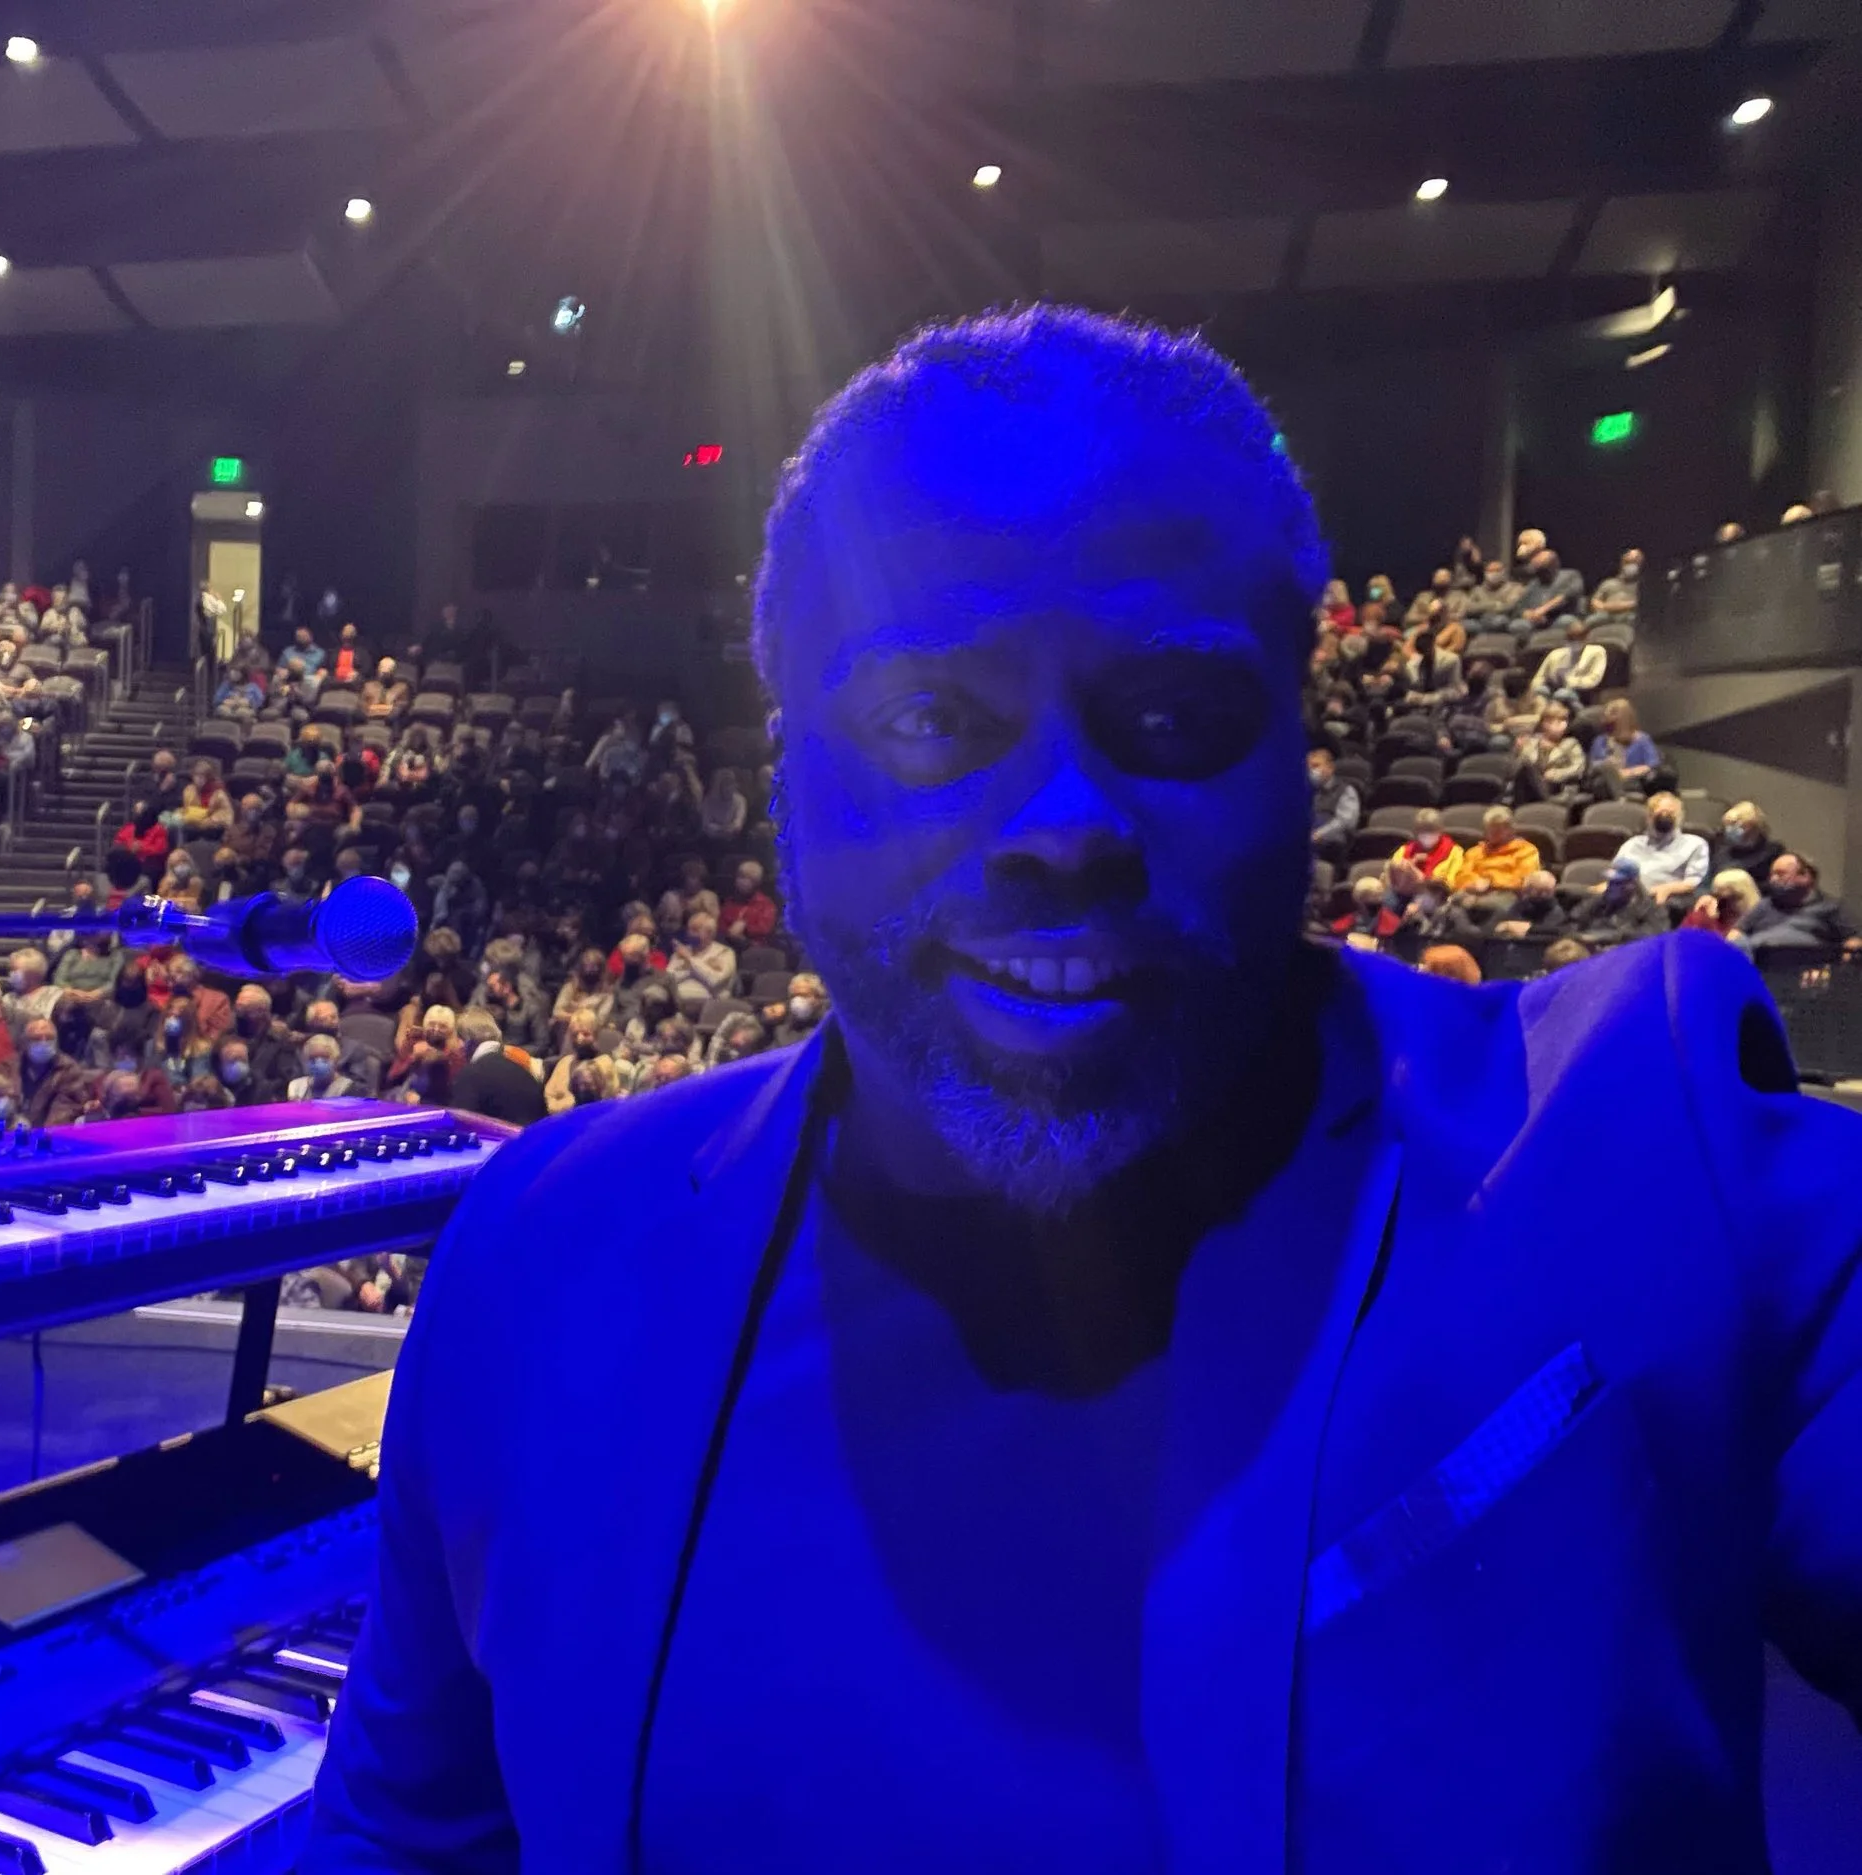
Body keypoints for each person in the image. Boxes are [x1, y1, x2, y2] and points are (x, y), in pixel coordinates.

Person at [305, 306, 1862, 1874]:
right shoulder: (543, 1256)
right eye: (931, 717)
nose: (1063, 820)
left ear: (1298, 752)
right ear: (785, 777)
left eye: (1173, 716)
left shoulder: (1651, 1144)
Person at [1736, 851, 1862, 954]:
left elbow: (1854, 939)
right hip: (1761, 969)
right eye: (1772, 875)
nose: (1773, 879)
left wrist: (1845, 961)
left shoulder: (1831, 907)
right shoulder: (1765, 905)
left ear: (1805, 876)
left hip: (1805, 970)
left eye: (1780, 874)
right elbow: (1737, 932)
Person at [1611, 793, 1708, 907]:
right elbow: (1615, 874)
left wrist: (1666, 889)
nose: (1664, 816)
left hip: (1664, 901)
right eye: (1659, 813)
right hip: (1626, 897)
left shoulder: (1695, 844)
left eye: (1670, 813)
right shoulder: (1632, 844)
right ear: (1649, 817)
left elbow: (1692, 882)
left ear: (1680, 816)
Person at [1575, 855, 1668, 944]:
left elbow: (1655, 936)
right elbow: (1573, 922)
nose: (1612, 887)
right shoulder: (1598, 901)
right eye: (1611, 882)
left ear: (1633, 884)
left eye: (1618, 883)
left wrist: (1610, 937)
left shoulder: (1652, 908)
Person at [1454, 805, 1539, 897]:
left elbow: (1522, 881)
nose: (1493, 833)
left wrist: (1490, 882)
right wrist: (1475, 882)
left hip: (1506, 895)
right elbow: (1460, 877)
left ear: (1510, 830)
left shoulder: (1526, 851)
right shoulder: (1475, 852)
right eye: (1490, 829)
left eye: (1498, 830)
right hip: (1473, 893)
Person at [1527, 617, 1606, 707]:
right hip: (1552, 689)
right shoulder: (1555, 654)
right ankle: (1541, 716)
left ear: (1586, 638)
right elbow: (1539, 677)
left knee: (1562, 694)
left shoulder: (1597, 652)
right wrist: (1537, 687)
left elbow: (1593, 679)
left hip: (1580, 693)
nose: (1575, 642)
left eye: (1578, 639)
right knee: (1540, 691)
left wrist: (1569, 681)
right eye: (1571, 639)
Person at [1587, 698, 1658, 796]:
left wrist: (1627, 773)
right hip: (1604, 785)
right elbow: (1593, 767)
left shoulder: (1642, 740)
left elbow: (1651, 765)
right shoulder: (1600, 741)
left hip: (1633, 782)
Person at [1306, 746, 1359, 865]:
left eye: (1315, 766)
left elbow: (1345, 821)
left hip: (1330, 843)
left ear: (1330, 768)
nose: (1310, 770)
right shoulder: (1306, 791)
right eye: (1308, 767)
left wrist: (1319, 834)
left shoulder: (1345, 790)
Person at [1590, 549, 1643, 626]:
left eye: (1634, 562)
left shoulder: (1642, 586)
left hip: (1629, 620)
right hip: (1604, 618)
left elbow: (1639, 604)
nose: (1631, 566)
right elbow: (1594, 603)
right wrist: (1608, 608)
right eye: (1628, 562)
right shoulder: (1608, 583)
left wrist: (1608, 607)